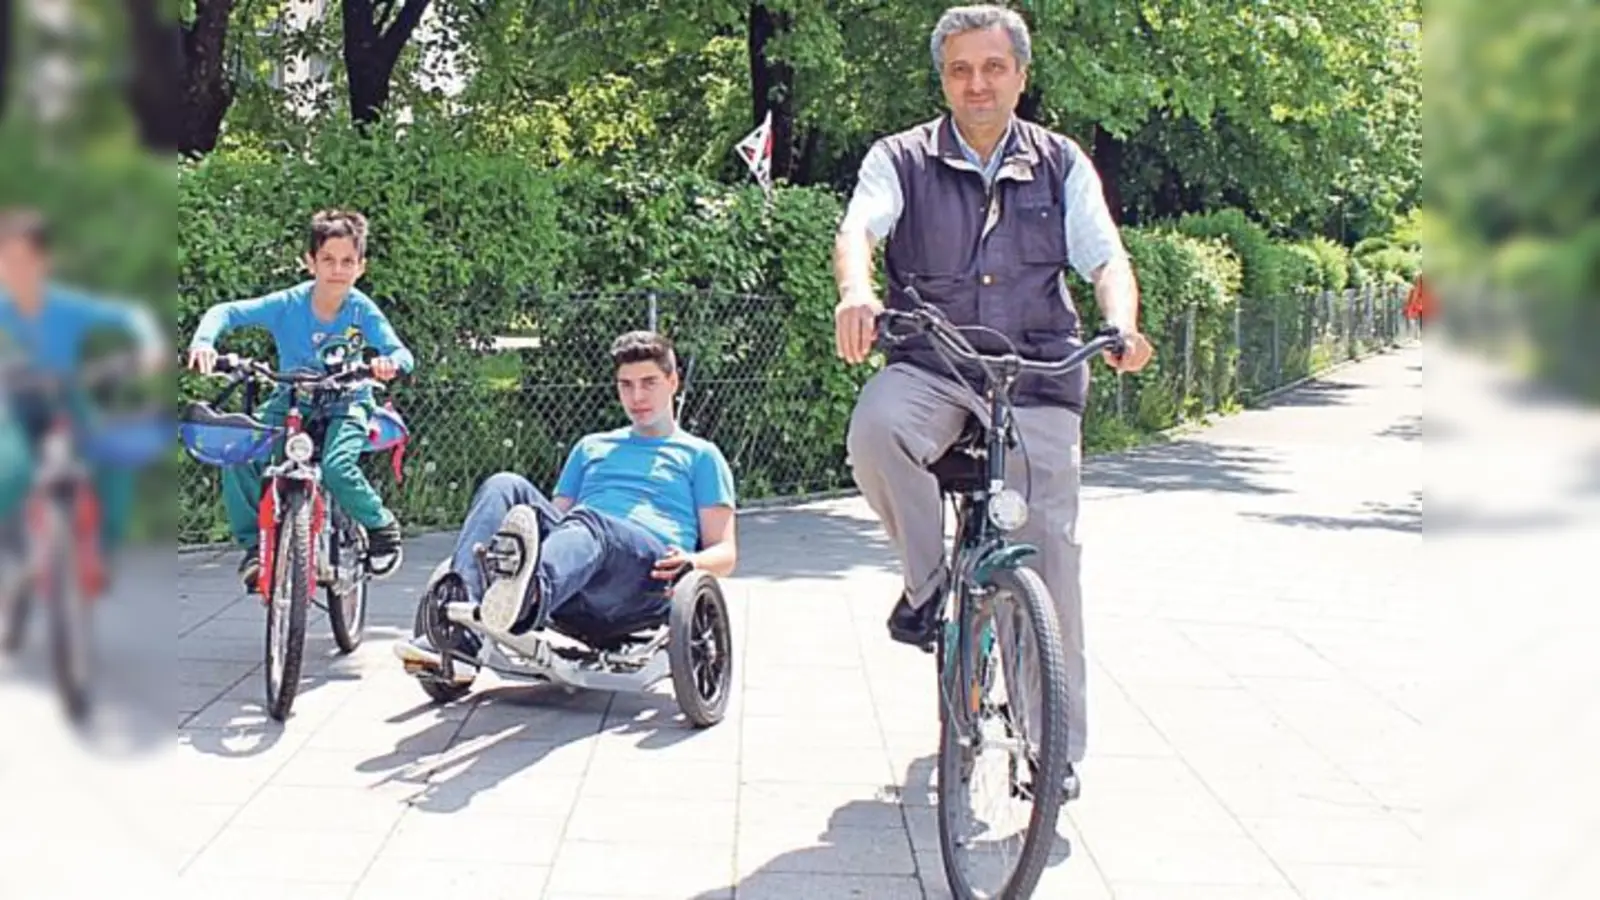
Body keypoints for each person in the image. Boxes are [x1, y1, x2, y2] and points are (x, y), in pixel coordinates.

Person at [831, 4, 1154, 798]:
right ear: (944, 79)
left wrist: (1121, 324)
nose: (976, 84)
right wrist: (857, 292)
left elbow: (1105, 256)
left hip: (1037, 374)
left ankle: (1052, 751)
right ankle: (929, 589)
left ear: (1020, 75)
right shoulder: (901, 157)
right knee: (876, 430)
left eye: (992, 68)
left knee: (1050, 556)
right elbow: (858, 229)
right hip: (935, 365)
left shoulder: (1061, 161)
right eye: (960, 70)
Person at [395, 330, 738, 682]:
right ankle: (462, 634)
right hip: (576, 573)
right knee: (504, 484)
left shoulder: (701, 456)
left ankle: (525, 596)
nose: (637, 396)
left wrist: (692, 562)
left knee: (590, 521)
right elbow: (554, 525)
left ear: (673, 382)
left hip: (644, 578)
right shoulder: (591, 446)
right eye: (626, 385)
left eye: (649, 383)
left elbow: (725, 553)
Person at [185, 209, 413, 589]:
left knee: (338, 467)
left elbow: (401, 353)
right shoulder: (289, 303)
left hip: (347, 401)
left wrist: (388, 363)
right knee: (239, 451)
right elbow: (226, 312)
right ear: (310, 262)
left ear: (361, 267)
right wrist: (204, 342)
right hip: (293, 397)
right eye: (328, 259)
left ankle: (381, 525)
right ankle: (254, 548)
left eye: (347, 261)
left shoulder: (362, 310)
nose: (337, 270)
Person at [0, 207, 167, 553]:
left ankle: (103, 544)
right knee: (11, 467)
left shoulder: (64, 305)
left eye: (24, 260)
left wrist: (150, 345)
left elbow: (131, 315)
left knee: (111, 456)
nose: (15, 270)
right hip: (15, 402)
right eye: (7, 261)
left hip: (65, 397)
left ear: (44, 262)